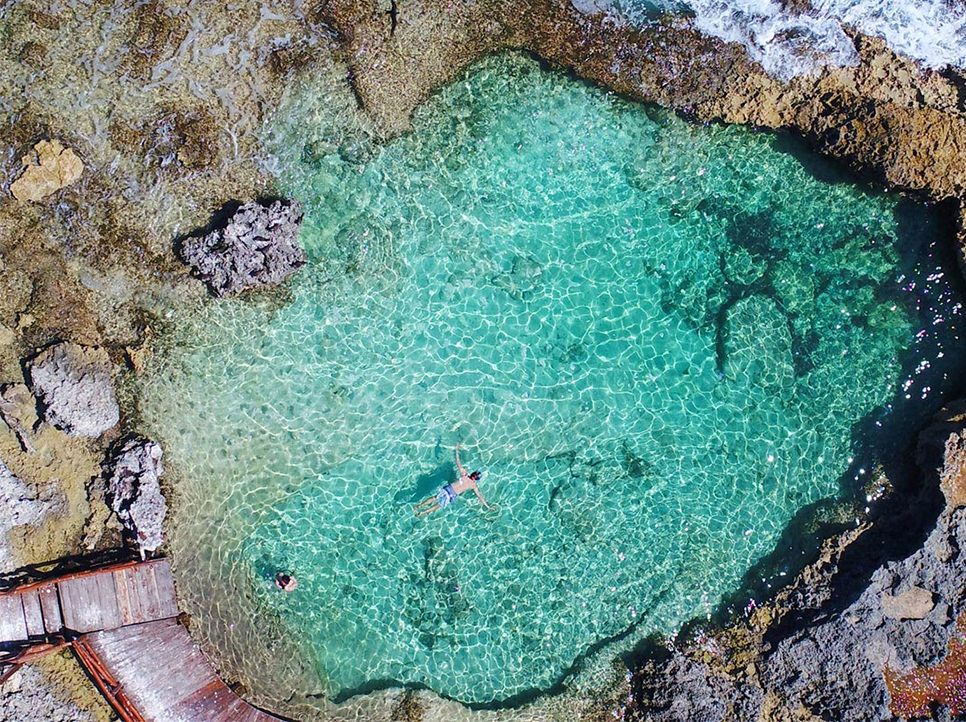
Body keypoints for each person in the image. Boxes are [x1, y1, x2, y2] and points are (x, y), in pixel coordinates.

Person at [414, 442, 492, 517]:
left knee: (434, 498)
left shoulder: (464, 474)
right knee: (439, 505)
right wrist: (487, 506)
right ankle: (423, 512)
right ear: (476, 479)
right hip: (451, 495)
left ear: (472, 474)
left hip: (447, 489)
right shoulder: (473, 485)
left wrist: (457, 450)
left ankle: (419, 506)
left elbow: (458, 462)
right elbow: (479, 496)